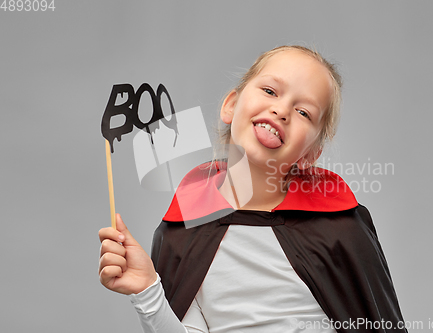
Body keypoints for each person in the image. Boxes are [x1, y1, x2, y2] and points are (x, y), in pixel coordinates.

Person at [99, 45, 408, 333]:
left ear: (311, 154)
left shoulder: (341, 228)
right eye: (270, 91)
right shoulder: (183, 229)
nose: (282, 110)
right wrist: (147, 289)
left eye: (304, 112)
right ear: (232, 105)